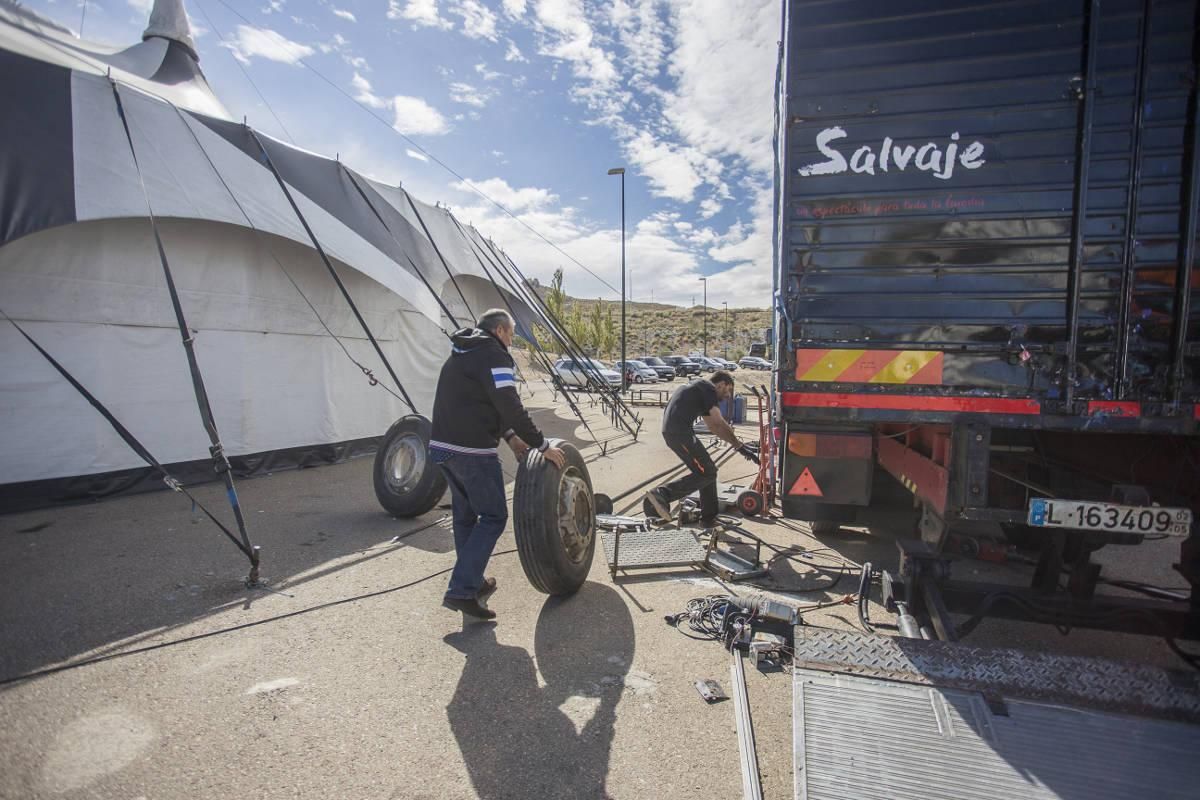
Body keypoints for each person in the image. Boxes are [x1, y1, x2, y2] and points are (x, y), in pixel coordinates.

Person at [430, 308, 566, 620]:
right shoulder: (495, 355)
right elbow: (510, 404)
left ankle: (472, 585)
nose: (512, 339)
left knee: (465, 518)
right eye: (512, 333)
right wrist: (540, 444)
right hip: (472, 452)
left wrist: (511, 438)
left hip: (442, 447)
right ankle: (461, 588)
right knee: (493, 516)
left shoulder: (462, 353)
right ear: (501, 331)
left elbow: (483, 402)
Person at [644, 370, 757, 526]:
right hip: (680, 433)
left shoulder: (699, 390)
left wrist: (738, 446)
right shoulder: (708, 388)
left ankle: (709, 518)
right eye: (729, 389)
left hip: (676, 432)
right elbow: (718, 422)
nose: (729, 395)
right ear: (721, 384)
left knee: (707, 470)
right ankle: (662, 494)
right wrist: (739, 446)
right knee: (708, 472)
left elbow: (713, 426)